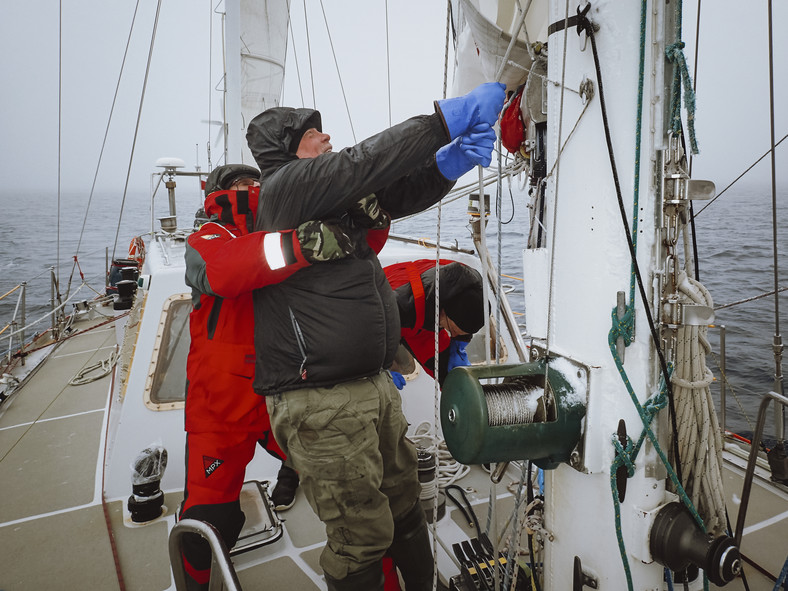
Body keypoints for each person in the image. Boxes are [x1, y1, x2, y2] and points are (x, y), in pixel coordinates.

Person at [246, 81, 506, 591]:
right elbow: (365, 164)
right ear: (287, 151)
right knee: (361, 535)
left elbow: (392, 193)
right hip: (321, 401)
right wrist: (441, 122)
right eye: (313, 134)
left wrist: (445, 166)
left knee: (404, 501)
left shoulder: (331, 202)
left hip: (369, 388)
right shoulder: (286, 188)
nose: (327, 138)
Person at [180, 164, 381, 590]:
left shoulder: (295, 230)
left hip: (289, 389)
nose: (251, 188)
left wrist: (369, 210)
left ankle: (290, 481)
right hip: (221, 408)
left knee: (354, 496)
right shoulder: (206, 240)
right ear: (218, 194)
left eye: (257, 183)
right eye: (240, 185)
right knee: (207, 522)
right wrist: (306, 244)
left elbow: (364, 245)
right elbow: (226, 271)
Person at [384, 259, 485, 387]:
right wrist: (379, 370)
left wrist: (460, 343)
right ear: (443, 312)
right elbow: (362, 334)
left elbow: (467, 313)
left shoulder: (472, 286)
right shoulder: (397, 303)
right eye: (452, 331)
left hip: (425, 315)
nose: (452, 336)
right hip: (381, 317)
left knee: (450, 374)